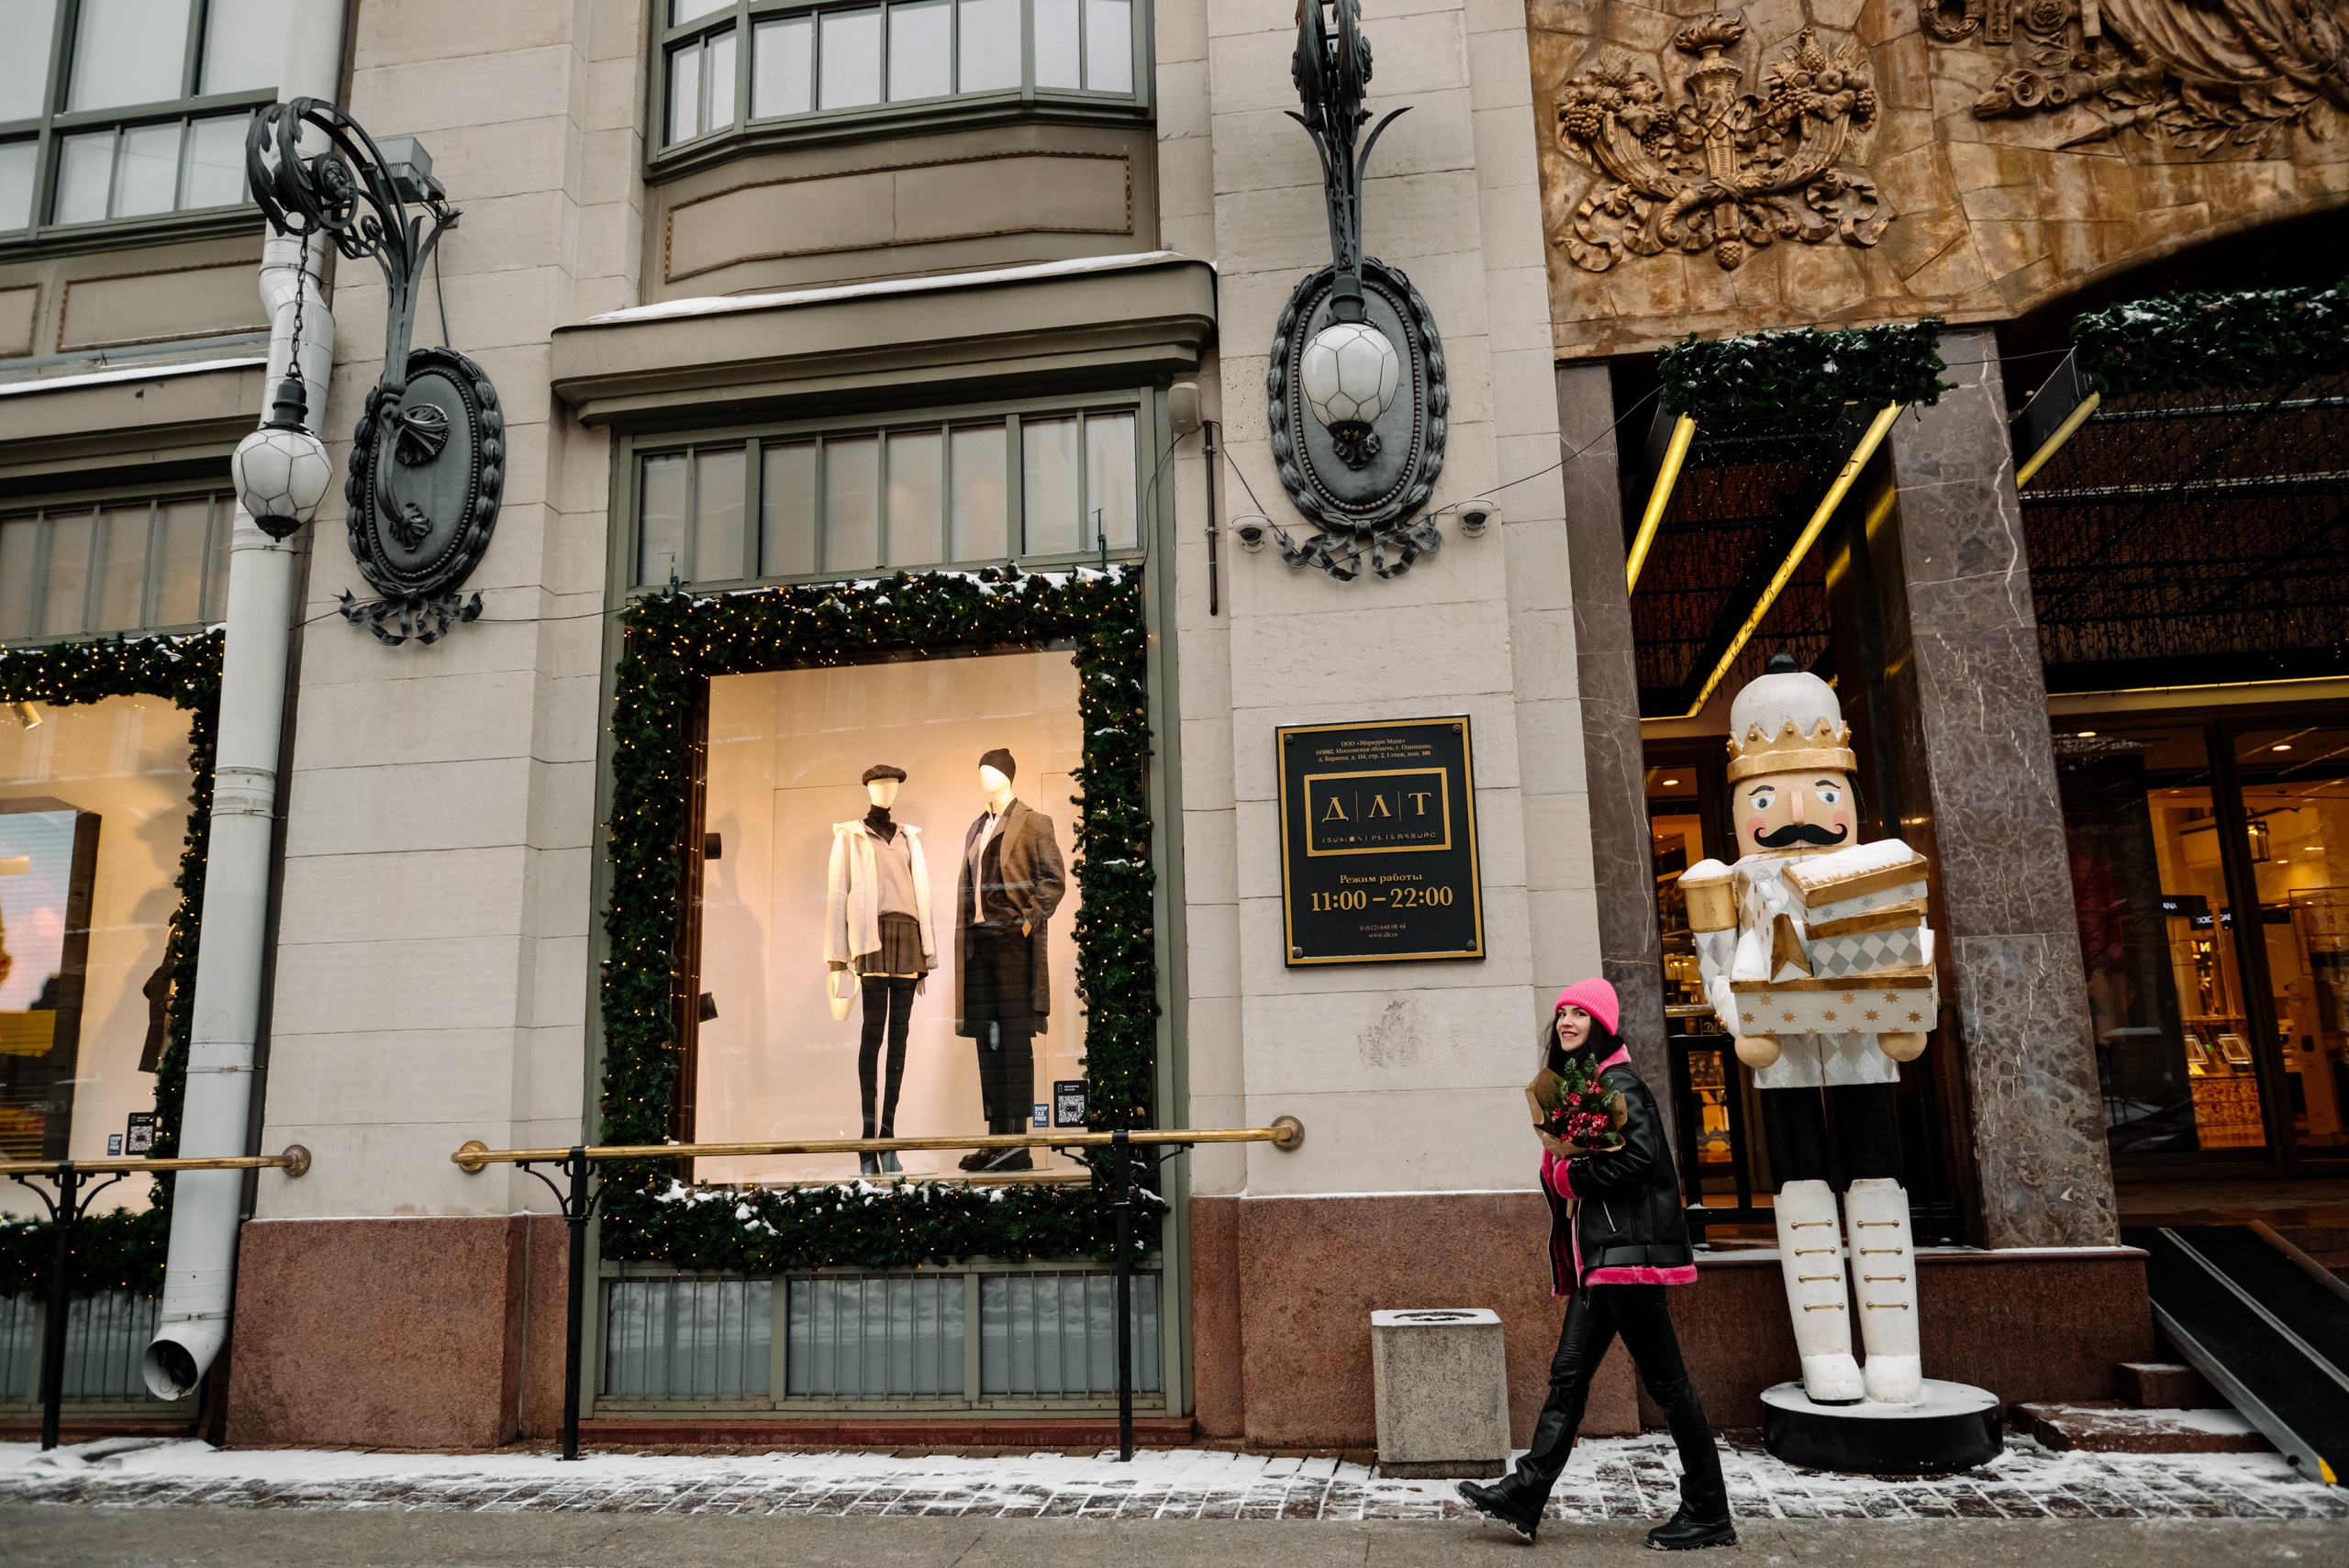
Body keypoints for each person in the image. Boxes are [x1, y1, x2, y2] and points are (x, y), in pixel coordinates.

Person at [1458, 978, 1734, 1551]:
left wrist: (1568, 1176)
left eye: (1579, 1014)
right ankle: (1526, 1494)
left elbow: (1640, 1161)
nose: (1566, 1021)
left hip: (1626, 1259)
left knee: (1668, 1385)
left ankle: (1709, 1510)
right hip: (1601, 1260)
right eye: (1561, 1013)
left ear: (1602, 1024)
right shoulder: (1586, 1086)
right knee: (1568, 1378)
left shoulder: (1620, 1082)